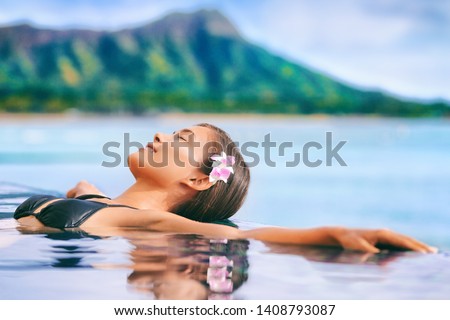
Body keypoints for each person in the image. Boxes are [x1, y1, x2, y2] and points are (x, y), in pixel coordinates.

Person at [14, 123, 437, 254]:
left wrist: (334, 234)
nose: (160, 137)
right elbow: (88, 194)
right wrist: (84, 193)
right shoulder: (98, 201)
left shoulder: (151, 221)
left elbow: (242, 235)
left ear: (197, 179)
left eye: (179, 141)